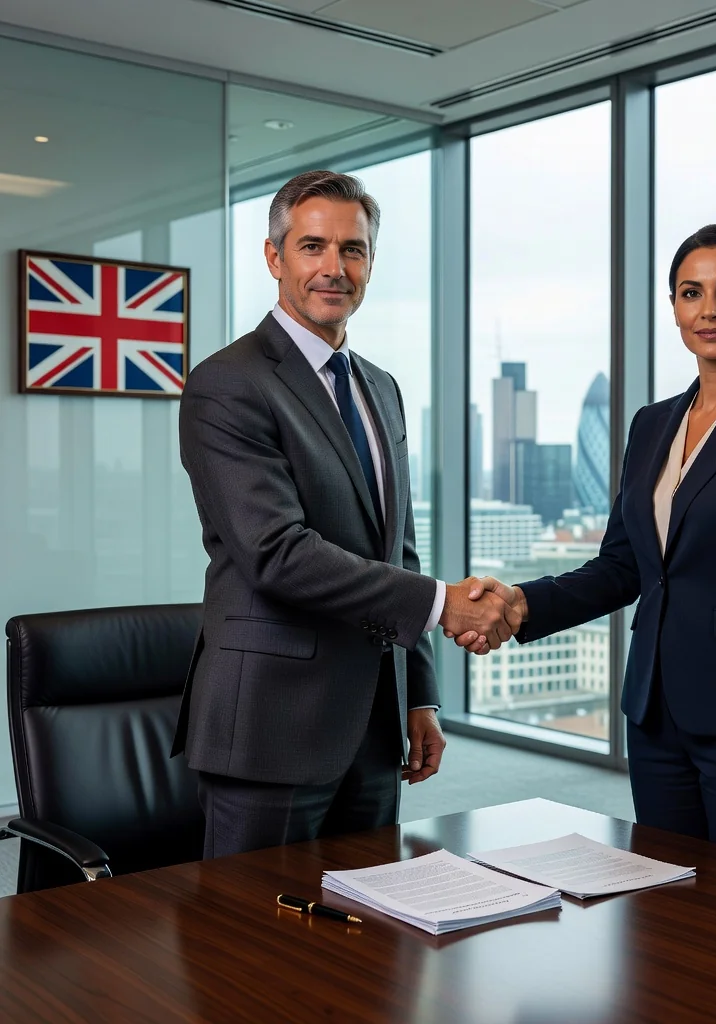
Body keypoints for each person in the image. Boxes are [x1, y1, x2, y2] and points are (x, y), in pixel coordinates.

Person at [454, 224, 716, 864]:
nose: (709, 311)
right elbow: (622, 566)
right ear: (674, 309)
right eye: (691, 293)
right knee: (667, 921)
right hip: (655, 717)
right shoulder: (652, 423)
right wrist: (521, 604)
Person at [173, 170, 518, 858]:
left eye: (353, 250)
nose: (334, 268)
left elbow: (400, 551)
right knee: (254, 944)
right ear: (275, 259)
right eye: (312, 247)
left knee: (370, 943)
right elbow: (277, 552)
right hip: (271, 727)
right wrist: (444, 604)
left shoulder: (380, 389)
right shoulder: (227, 384)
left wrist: (418, 695)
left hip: (373, 725)